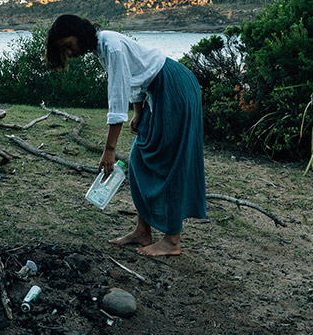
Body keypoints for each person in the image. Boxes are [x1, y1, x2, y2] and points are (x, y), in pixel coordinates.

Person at [45, 14, 206, 256]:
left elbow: (117, 97)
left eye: (68, 45)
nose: (69, 52)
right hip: (158, 89)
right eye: (64, 49)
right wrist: (139, 112)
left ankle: (172, 241)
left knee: (169, 161)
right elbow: (135, 80)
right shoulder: (103, 47)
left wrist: (109, 150)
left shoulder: (111, 46)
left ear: (79, 34)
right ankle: (143, 231)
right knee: (140, 159)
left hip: (174, 86)